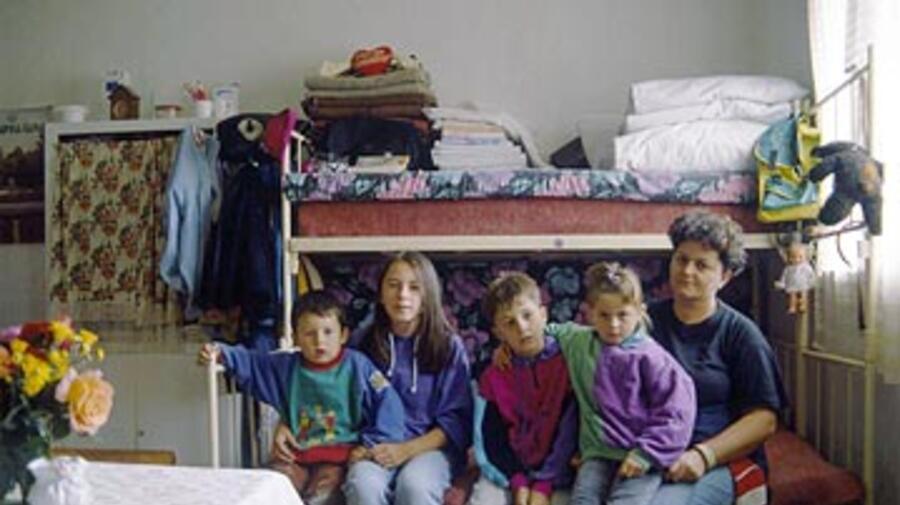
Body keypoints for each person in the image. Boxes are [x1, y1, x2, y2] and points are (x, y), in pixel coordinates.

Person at [274, 251, 473, 505]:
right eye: (393, 285)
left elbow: (456, 420)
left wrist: (405, 450)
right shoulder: (363, 342)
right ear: (380, 294)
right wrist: (285, 423)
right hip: (373, 445)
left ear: (428, 296)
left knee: (414, 486)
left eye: (414, 287)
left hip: (428, 448)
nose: (402, 295)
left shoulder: (448, 347)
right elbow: (320, 387)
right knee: (363, 484)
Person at [198, 291, 406, 505]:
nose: (319, 341)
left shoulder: (358, 366)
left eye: (328, 332)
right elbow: (252, 363)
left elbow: (388, 403)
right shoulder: (286, 367)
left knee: (322, 496)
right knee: (270, 487)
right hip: (295, 456)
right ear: (296, 337)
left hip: (340, 458)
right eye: (309, 333)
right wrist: (220, 352)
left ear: (343, 335)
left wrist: (371, 445)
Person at [647, 211, 788, 505]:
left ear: (724, 277)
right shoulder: (644, 322)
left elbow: (764, 420)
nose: (687, 271)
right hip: (653, 452)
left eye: (701, 265)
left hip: (717, 460)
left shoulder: (742, 334)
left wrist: (704, 455)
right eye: (681, 259)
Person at [548, 262, 696, 505]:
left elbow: (677, 412)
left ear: (639, 311)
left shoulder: (652, 357)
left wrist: (646, 454)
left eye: (623, 315)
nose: (613, 325)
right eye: (604, 316)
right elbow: (546, 333)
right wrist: (509, 350)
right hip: (598, 453)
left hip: (641, 453)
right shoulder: (579, 342)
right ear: (590, 313)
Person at [468, 272, 578, 505]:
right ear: (499, 332)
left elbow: (570, 432)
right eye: (510, 323)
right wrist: (517, 481)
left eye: (527, 315)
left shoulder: (569, 363)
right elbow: (490, 440)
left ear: (543, 314)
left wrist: (545, 483)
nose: (522, 327)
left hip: (561, 472)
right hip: (507, 473)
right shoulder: (493, 377)